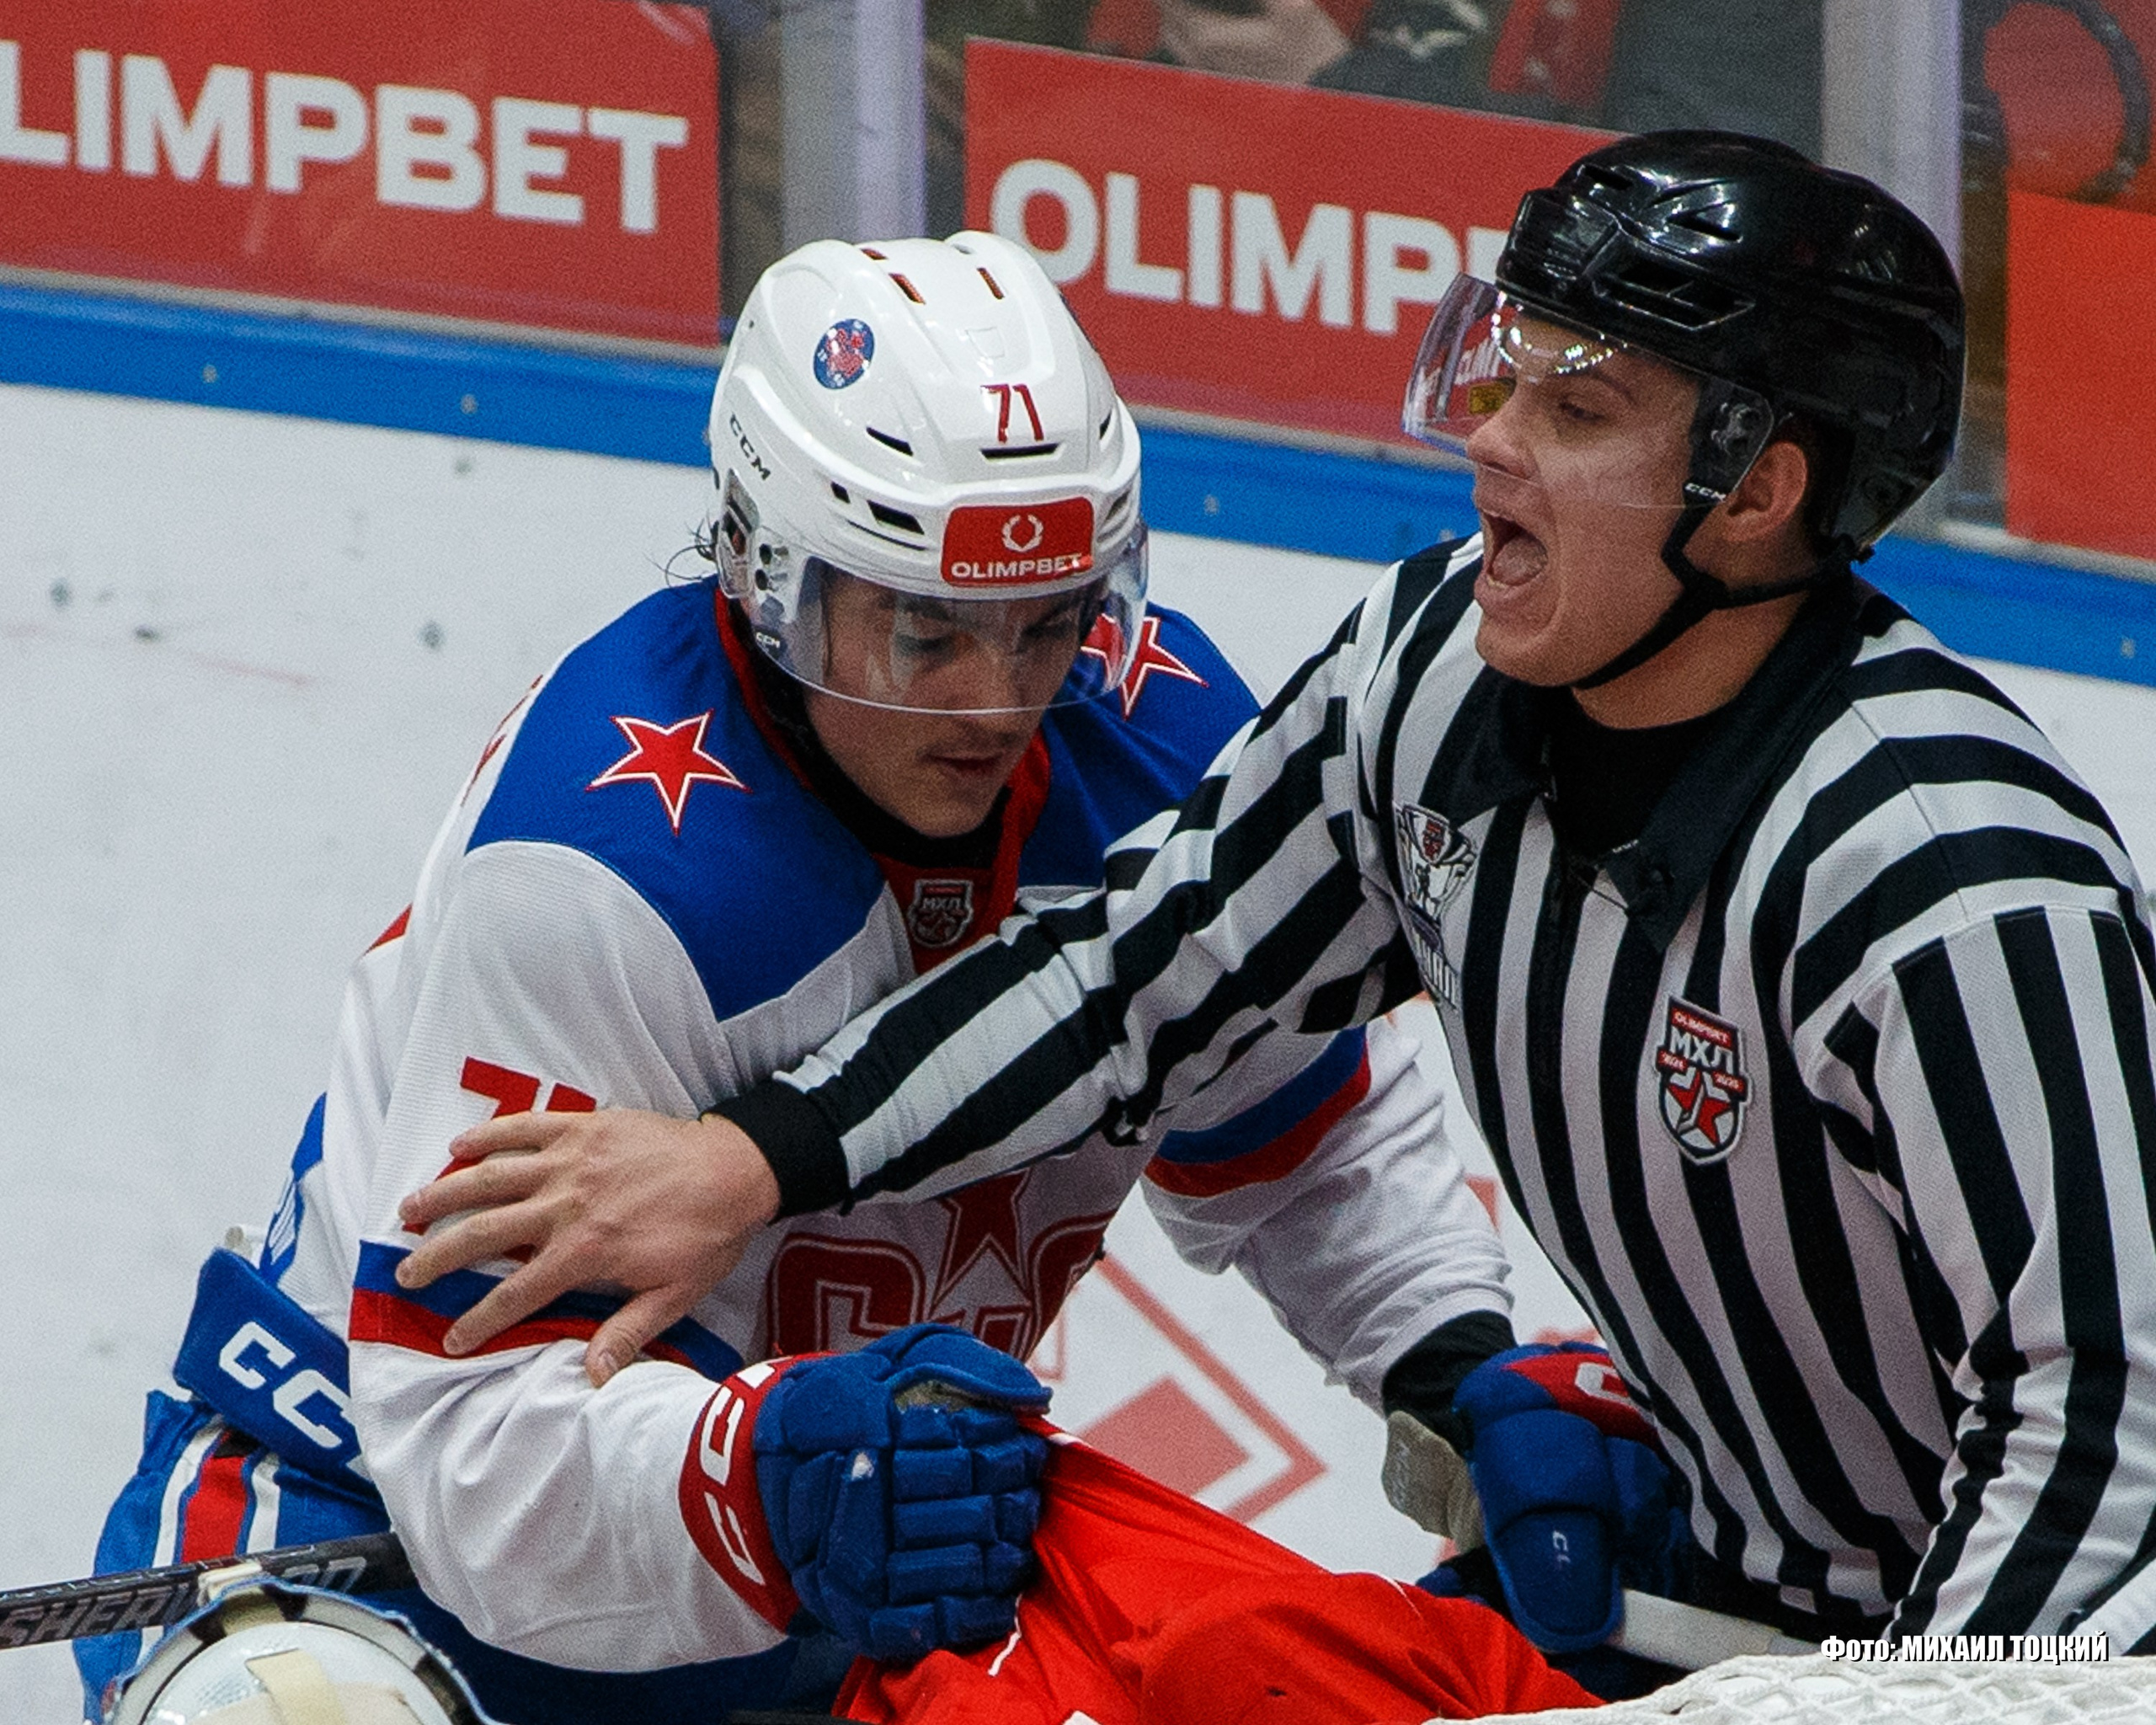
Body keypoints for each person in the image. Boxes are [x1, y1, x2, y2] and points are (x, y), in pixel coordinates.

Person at [406, 131, 2156, 1654]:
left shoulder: (1952, 879)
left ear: (1756, 492)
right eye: (1502, 376)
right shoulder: (1436, 671)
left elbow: (2112, 1412)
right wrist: (756, 1158)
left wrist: (1896, 1696)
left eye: (1575, 409)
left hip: (1997, 1656)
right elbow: (1136, 985)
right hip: (1730, 1604)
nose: (1490, 447)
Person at [77, 232, 1529, 1725]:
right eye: (926, 632)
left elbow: (1297, 1139)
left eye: (1049, 622)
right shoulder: (605, 867)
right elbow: (470, 1438)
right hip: (379, 1531)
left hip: (832, 1575)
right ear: (771, 575)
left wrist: (1454, 1369)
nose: (998, 702)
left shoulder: (1156, 745)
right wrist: (767, 1478)